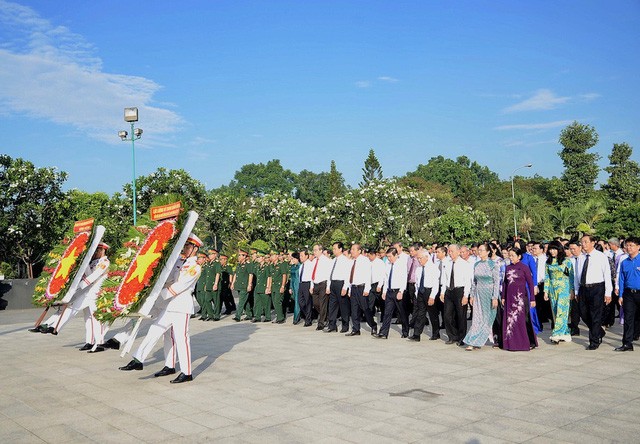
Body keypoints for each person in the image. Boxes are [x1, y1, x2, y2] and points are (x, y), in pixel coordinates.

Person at [120, 233, 204, 384]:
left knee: (181, 338)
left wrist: (157, 296)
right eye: (184, 245)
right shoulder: (178, 261)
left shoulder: (195, 267)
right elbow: (168, 279)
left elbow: (180, 286)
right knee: (155, 330)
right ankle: (141, 360)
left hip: (181, 306)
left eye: (188, 246)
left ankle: (187, 372)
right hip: (170, 305)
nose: (185, 248)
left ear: (195, 249)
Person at [33, 243, 111, 351]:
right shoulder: (93, 262)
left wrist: (77, 287)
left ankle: (54, 327)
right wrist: (84, 263)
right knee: (88, 318)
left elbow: (93, 277)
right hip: (87, 292)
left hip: (95, 293)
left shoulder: (105, 262)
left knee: (74, 308)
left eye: (97, 250)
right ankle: (91, 342)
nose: (95, 252)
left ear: (103, 250)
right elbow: (87, 274)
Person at [574, 235, 613, 350]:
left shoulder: (601, 256)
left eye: (586, 242)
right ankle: (599, 331)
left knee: (595, 315)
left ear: (593, 243)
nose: (583, 244)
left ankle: (594, 341)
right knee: (584, 313)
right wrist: (576, 290)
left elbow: (607, 274)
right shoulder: (580, 258)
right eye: (582, 242)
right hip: (583, 288)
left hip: (597, 288)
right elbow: (577, 275)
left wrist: (608, 292)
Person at [463, 243, 500, 350]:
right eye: (479, 250)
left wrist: (494, 297)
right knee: (477, 318)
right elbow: (474, 282)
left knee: (487, 319)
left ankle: (481, 340)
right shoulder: (476, 264)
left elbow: (496, 282)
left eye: (482, 250)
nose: (480, 252)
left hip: (489, 293)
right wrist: (472, 295)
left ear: (488, 252)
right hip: (479, 293)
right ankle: (472, 341)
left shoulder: (493, 265)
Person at [501, 247, 537, 351]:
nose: (510, 257)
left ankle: (527, 342)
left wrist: (532, 299)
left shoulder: (524, 267)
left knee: (522, 319)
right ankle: (511, 343)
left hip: (521, 297)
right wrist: (503, 297)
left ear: (519, 256)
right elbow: (505, 283)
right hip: (510, 297)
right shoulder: (507, 268)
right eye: (509, 255)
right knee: (510, 320)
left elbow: (530, 283)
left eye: (512, 255)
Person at [440, 244, 473, 346]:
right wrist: (442, 292)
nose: (450, 253)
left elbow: (468, 281)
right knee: (447, 315)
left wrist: (465, 295)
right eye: (449, 251)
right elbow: (444, 279)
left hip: (460, 290)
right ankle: (452, 336)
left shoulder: (464, 264)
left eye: (452, 251)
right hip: (449, 291)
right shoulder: (447, 263)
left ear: (458, 252)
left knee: (461, 315)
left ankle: (461, 337)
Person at [543, 241, 575, 344]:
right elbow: (547, 277)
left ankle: (556, 334)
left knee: (562, 311)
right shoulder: (548, 262)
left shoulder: (566, 262)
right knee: (556, 311)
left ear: (559, 249)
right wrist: (546, 291)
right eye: (551, 249)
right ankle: (565, 333)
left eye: (554, 249)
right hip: (553, 289)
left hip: (564, 288)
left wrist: (572, 290)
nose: (552, 251)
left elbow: (571, 277)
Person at [374, 247, 409, 339]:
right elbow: (386, 278)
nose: (389, 258)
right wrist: (384, 291)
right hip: (389, 291)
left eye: (390, 256)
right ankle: (383, 332)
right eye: (387, 256)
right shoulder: (388, 264)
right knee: (387, 313)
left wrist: (401, 291)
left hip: (398, 291)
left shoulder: (401, 264)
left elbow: (404, 278)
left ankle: (405, 331)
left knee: (402, 313)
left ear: (396, 255)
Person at [615, 236, 640, 352]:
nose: (629, 248)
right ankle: (627, 343)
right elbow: (622, 279)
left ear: (638, 247)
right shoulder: (624, 262)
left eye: (632, 245)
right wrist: (620, 295)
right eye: (627, 245)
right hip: (629, 293)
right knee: (628, 318)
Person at [346, 243, 377, 336]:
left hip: (362, 287)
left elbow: (368, 275)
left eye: (353, 249)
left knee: (365, 309)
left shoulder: (365, 261)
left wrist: (367, 288)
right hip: (354, 288)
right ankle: (356, 329)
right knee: (354, 310)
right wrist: (349, 289)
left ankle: (373, 325)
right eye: (351, 249)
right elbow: (350, 276)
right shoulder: (351, 261)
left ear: (359, 251)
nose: (351, 251)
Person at [408, 249, 438, 342]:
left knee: (432, 314)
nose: (419, 260)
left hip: (429, 292)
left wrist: (432, 296)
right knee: (420, 314)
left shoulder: (433, 268)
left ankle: (435, 333)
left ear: (426, 257)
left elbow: (435, 284)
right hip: (420, 292)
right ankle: (417, 334)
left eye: (420, 258)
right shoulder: (419, 269)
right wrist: (417, 294)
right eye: (418, 259)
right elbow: (417, 283)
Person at [327, 242, 351, 333]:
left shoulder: (345, 260)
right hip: (333, 283)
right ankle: (332, 325)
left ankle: (345, 325)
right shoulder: (333, 260)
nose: (333, 250)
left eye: (335, 248)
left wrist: (345, 287)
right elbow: (330, 274)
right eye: (333, 248)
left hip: (341, 283)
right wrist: (329, 286)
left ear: (340, 249)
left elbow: (347, 275)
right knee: (332, 305)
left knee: (343, 305)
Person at [310, 244, 332, 330]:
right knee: (315, 303)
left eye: (315, 250)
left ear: (320, 250)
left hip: (323, 284)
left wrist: (328, 287)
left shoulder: (327, 261)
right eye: (313, 250)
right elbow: (312, 274)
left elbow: (329, 275)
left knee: (322, 304)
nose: (314, 252)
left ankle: (321, 323)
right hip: (315, 284)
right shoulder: (314, 261)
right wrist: (311, 286)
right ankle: (326, 316)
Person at [232, 248, 254, 322]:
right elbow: (235, 274)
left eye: (240, 255)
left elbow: (250, 275)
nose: (238, 257)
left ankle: (238, 316)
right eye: (238, 255)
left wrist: (249, 285)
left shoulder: (248, 265)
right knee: (245, 301)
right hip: (239, 285)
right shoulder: (238, 265)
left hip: (245, 286)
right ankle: (249, 314)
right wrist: (233, 283)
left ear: (244, 256)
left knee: (241, 301)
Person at [252, 252, 272, 322]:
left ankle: (268, 317)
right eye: (257, 257)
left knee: (266, 303)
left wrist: (268, 287)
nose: (257, 259)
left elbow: (269, 277)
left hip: (264, 287)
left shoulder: (267, 266)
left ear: (263, 258)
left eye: (259, 257)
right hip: (258, 287)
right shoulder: (257, 266)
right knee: (257, 303)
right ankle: (257, 317)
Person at [270, 251, 289, 324]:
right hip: (273, 286)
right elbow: (271, 277)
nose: (271, 257)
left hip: (279, 286)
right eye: (271, 255)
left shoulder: (281, 265)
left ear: (277, 256)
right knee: (274, 302)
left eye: (273, 255)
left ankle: (280, 318)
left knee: (278, 301)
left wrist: (283, 286)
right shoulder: (272, 265)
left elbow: (284, 275)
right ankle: (278, 316)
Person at [298, 250, 314, 327]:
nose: (300, 257)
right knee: (301, 302)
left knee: (308, 302)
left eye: (302, 256)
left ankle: (308, 320)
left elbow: (312, 277)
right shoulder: (301, 266)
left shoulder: (310, 265)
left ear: (307, 256)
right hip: (301, 284)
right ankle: (309, 315)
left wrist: (311, 286)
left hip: (307, 284)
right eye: (300, 256)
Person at [289, 253, 301, 324]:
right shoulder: (293, 266)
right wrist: (290, 287)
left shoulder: (300, 266)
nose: (292, 260)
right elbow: (291, 278)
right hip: (293, 285)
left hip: (298, 285)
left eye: (293, 258)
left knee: (297, 302)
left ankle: (296, 318)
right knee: (295, 300)